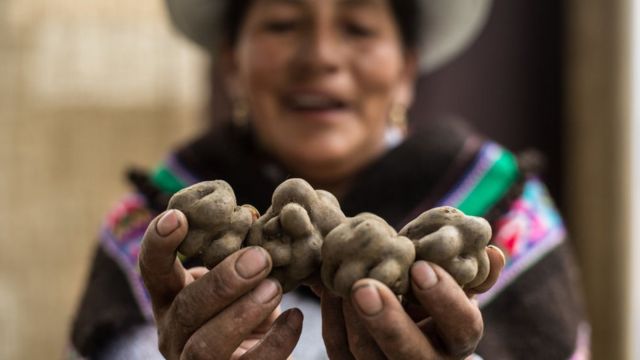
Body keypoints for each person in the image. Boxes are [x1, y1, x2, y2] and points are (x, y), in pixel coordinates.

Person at [70, 0, 589, 359]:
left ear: (406, 69)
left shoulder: (504, 214)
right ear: (231, 63)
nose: (320, 57)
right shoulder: (154, 223)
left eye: (359, 28)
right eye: (282, 24)